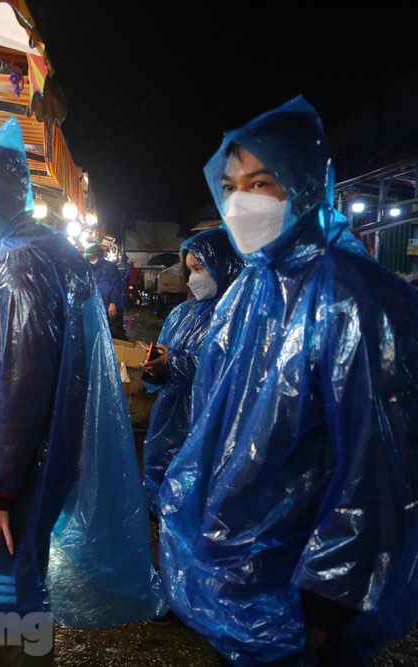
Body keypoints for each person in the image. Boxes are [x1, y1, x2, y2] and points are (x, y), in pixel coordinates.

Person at [158, 97, 418, 666]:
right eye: (230, 185)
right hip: (240, 576)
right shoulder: (249, 292)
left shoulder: (355, 296)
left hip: (305, 597)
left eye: (261, 181)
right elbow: (217, 429)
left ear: (302, 183)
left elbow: (379, 471)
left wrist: (328, 605)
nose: (240, 202)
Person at [0, 117, 163, 667]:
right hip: (36, 461)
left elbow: (19, 382)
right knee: (21, 578)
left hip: (9, 473)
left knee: (8, 593)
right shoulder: (45, 249)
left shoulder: (15, 262)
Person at [140, 228, 242, 514]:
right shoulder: (181, 314)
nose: (194, 277)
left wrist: (175, 362)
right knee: (166, 491)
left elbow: (229, 369)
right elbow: (164, 352)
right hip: (170, 420)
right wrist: (155, 369)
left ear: (223, 265)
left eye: (201, 268)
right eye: (190, 269)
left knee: (203, 500)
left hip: (212, 423)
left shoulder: (238, 314)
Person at [83, 242, 127, 339]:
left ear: (96, 254)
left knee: (115, 336)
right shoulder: (85, 268)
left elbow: (116, 286)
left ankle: (122, 353)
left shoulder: (110, 267)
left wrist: (113, 303)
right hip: (95, 308)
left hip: (111, 308)